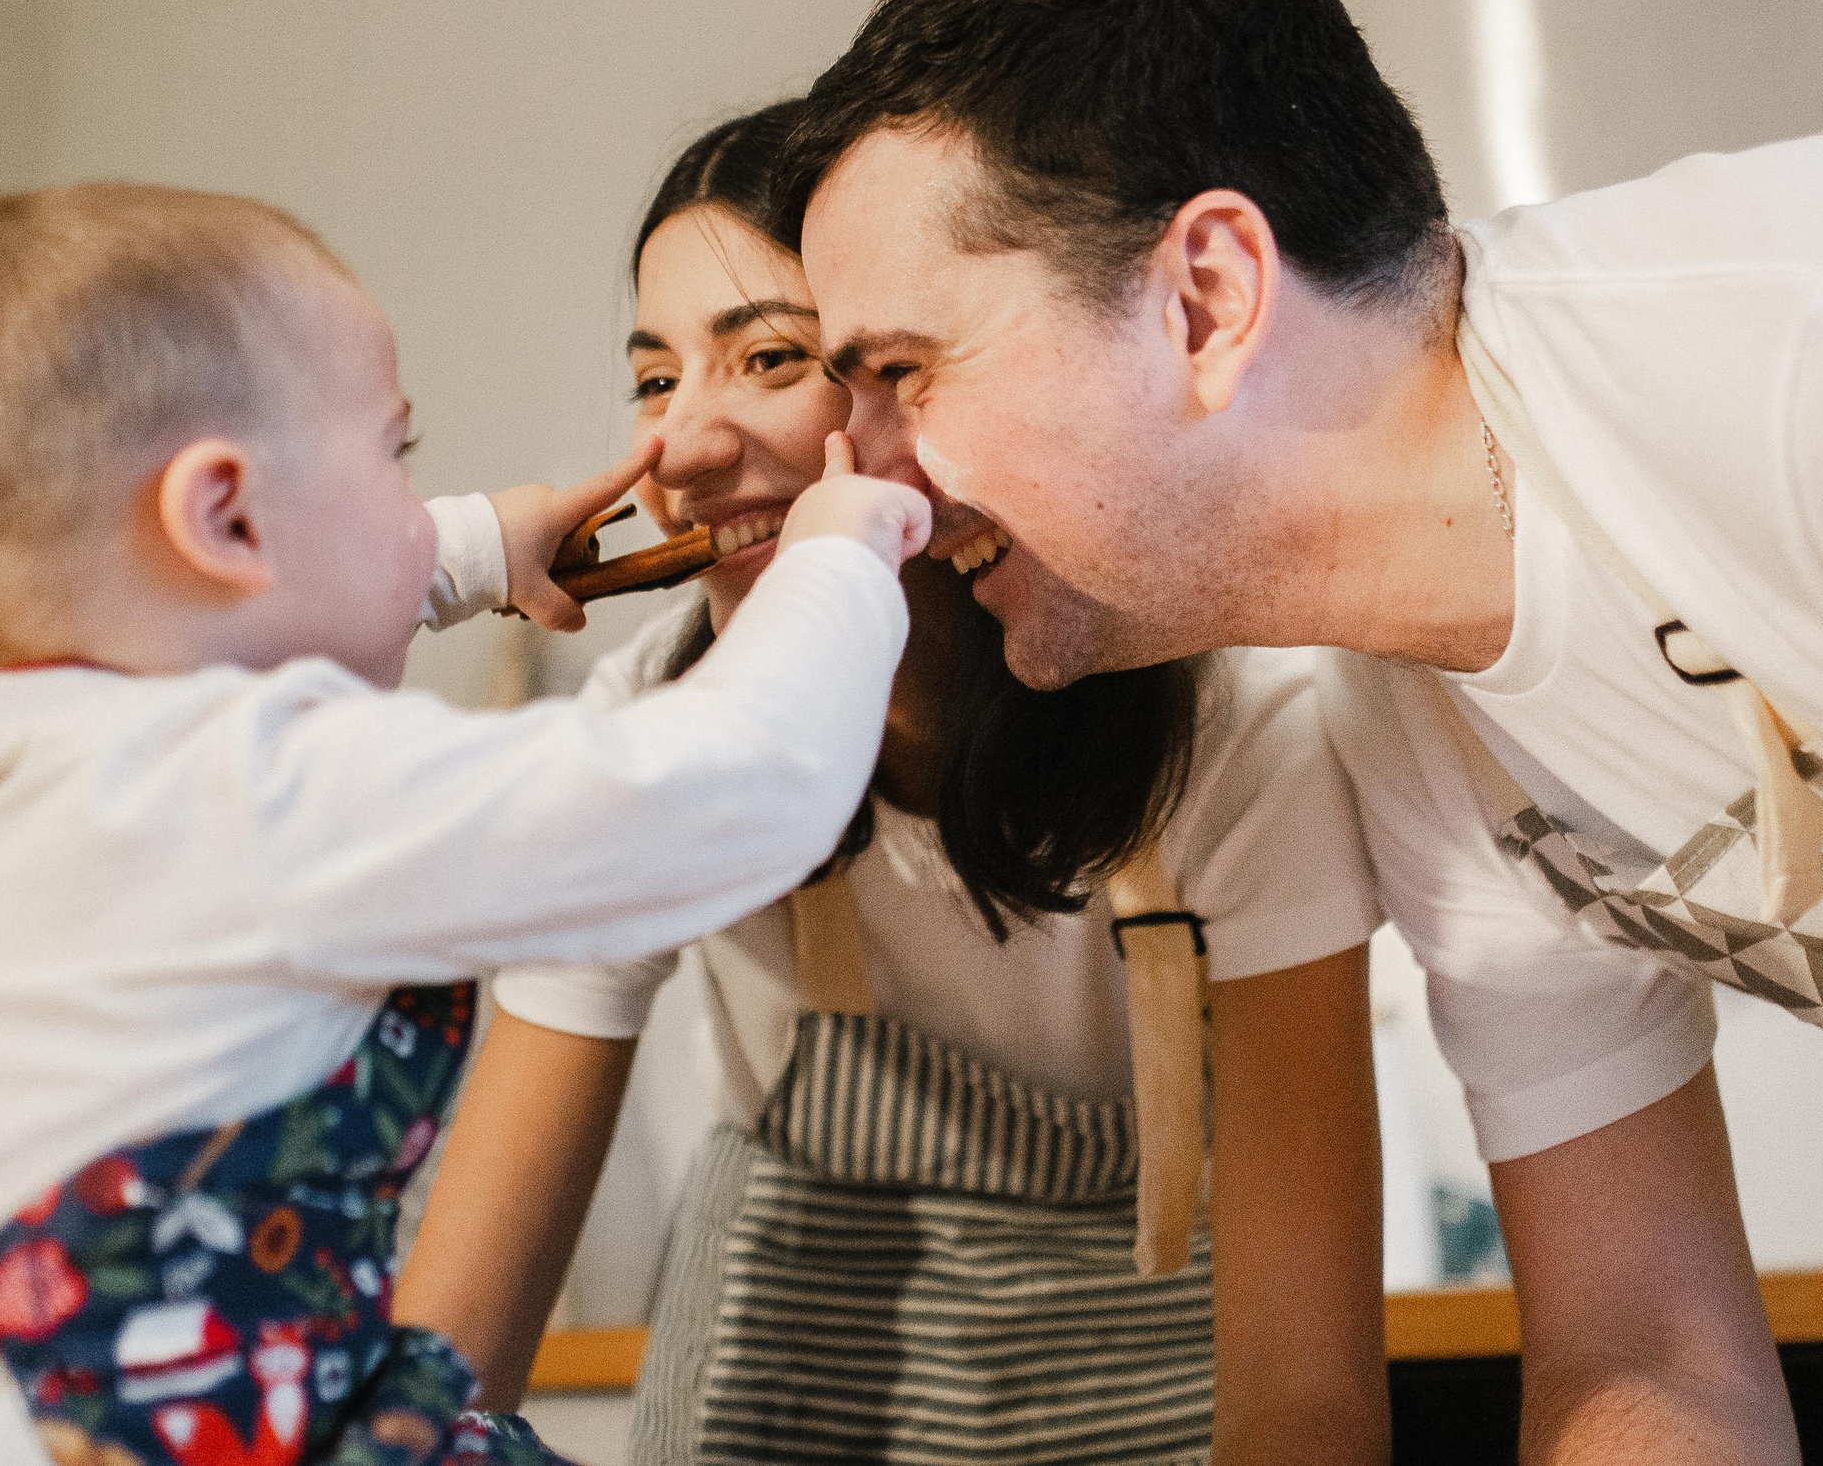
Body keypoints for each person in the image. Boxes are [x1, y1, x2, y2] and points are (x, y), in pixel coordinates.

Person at [775, 0, 1823, 1466]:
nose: (860, 477)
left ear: (1207, 297)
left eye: (901, 373)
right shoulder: (1416, 727)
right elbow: (1650, 1345)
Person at [0, 181, 928, 1466]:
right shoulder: (254, 791)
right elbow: (733, 787)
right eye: (394, 455)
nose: (415, 496)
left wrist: (476, 545)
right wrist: (842, 557)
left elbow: (236, 604)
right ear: (226, 516)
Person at [395, 104, 1390, 1466]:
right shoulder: (657, 724)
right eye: (653, 376)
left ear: (906, 380)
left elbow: (1310, 1403)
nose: (682, 448)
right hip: (789, 1337)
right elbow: (439, 1371)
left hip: (1144, 1336)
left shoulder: (1233, 732)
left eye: (768, 356)